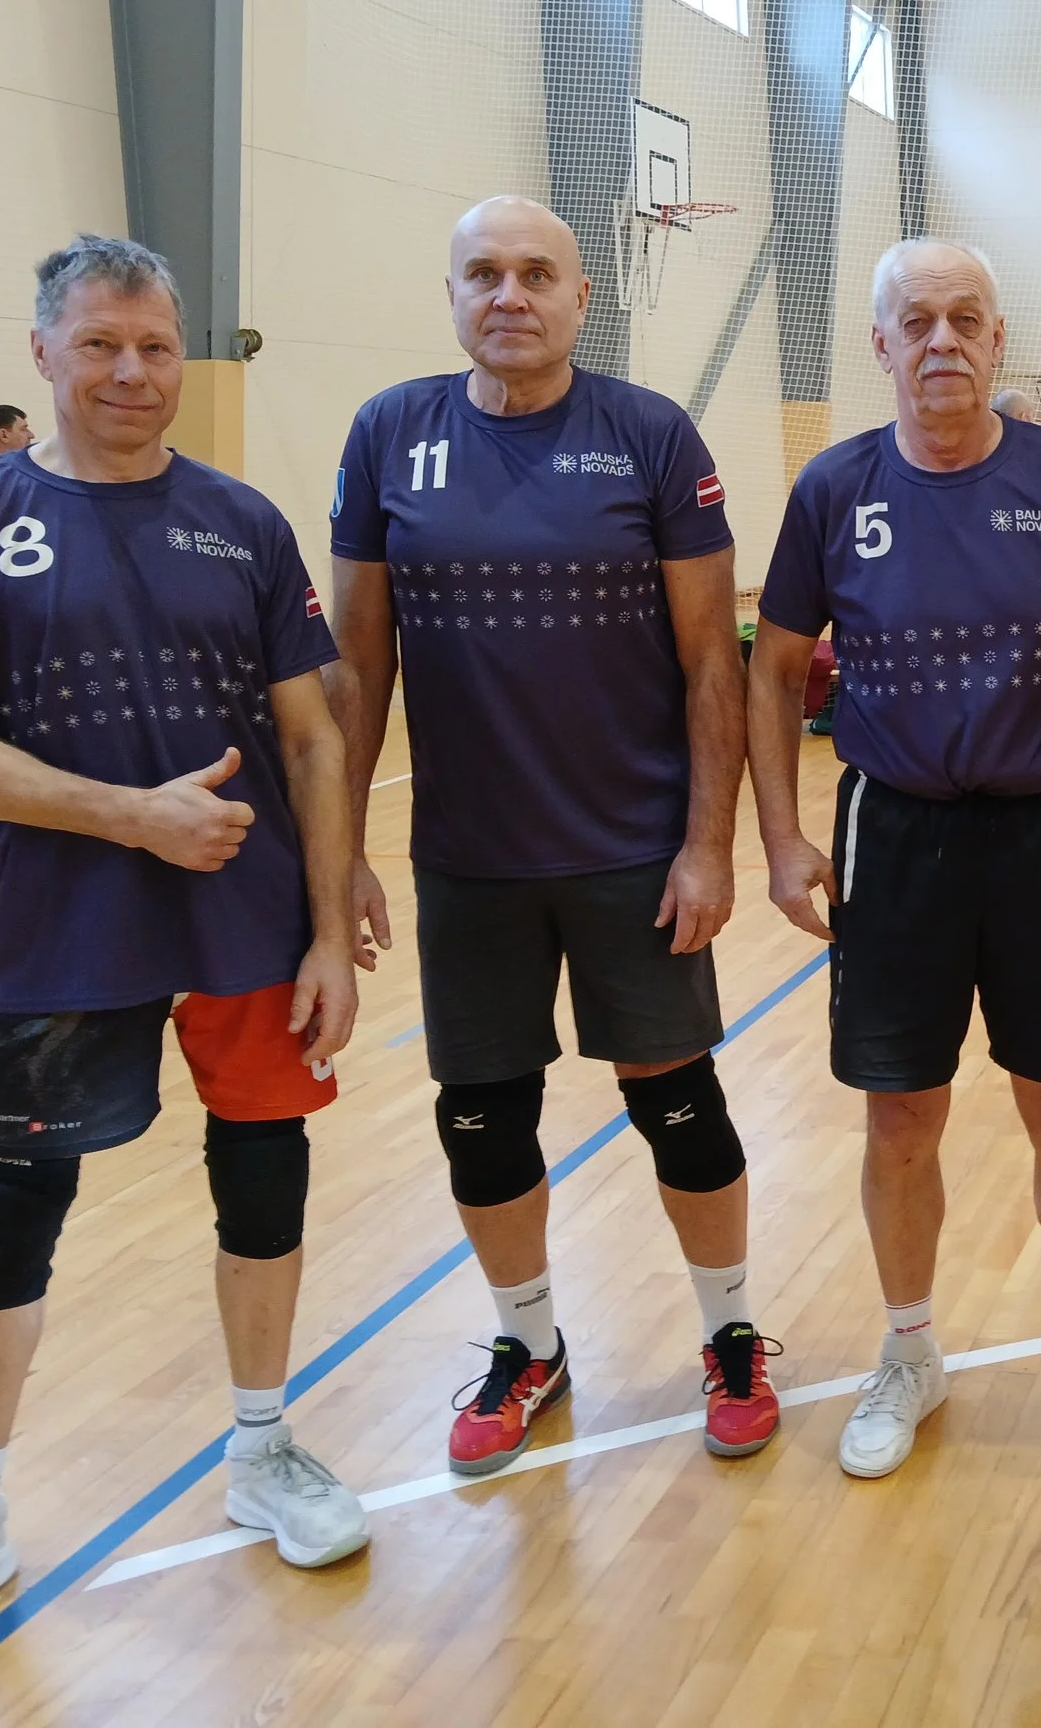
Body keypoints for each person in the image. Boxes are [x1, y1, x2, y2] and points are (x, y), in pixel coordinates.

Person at [0, 236, 367, 1677]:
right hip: (67, 928)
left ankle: (262, 1448)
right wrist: (132, 816)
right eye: (99, 345)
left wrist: (329, 924)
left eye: (153, 346)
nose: (132, 372)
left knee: (262, 1168)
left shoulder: (242, 521)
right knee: (13, 1198)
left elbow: (315, 737)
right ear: (42, 353)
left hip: (250, 922)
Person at [327, 196, 777, 1474]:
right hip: (469, 860)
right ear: (452, 294)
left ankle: (731, 1334)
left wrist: (708, 845)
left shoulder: (649, 434)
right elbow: (359, 667)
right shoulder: (388, 434)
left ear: (583, 297)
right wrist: (339, 849)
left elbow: (713, 660)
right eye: (484, 273)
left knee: (676, 1104)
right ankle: (528, 1345)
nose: (509, 295)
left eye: (537, 274)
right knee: (480, 1116)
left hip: (633, 851)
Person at [748, 239, 1041, 1478]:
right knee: (900, 1116)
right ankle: (908, 1351)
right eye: (916, 320)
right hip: (895, 837)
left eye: (965, 319)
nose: (942, 340)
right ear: (880, 342)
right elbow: (773, 671)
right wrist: (782, 837)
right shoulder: (833, 488)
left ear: (996, 339)